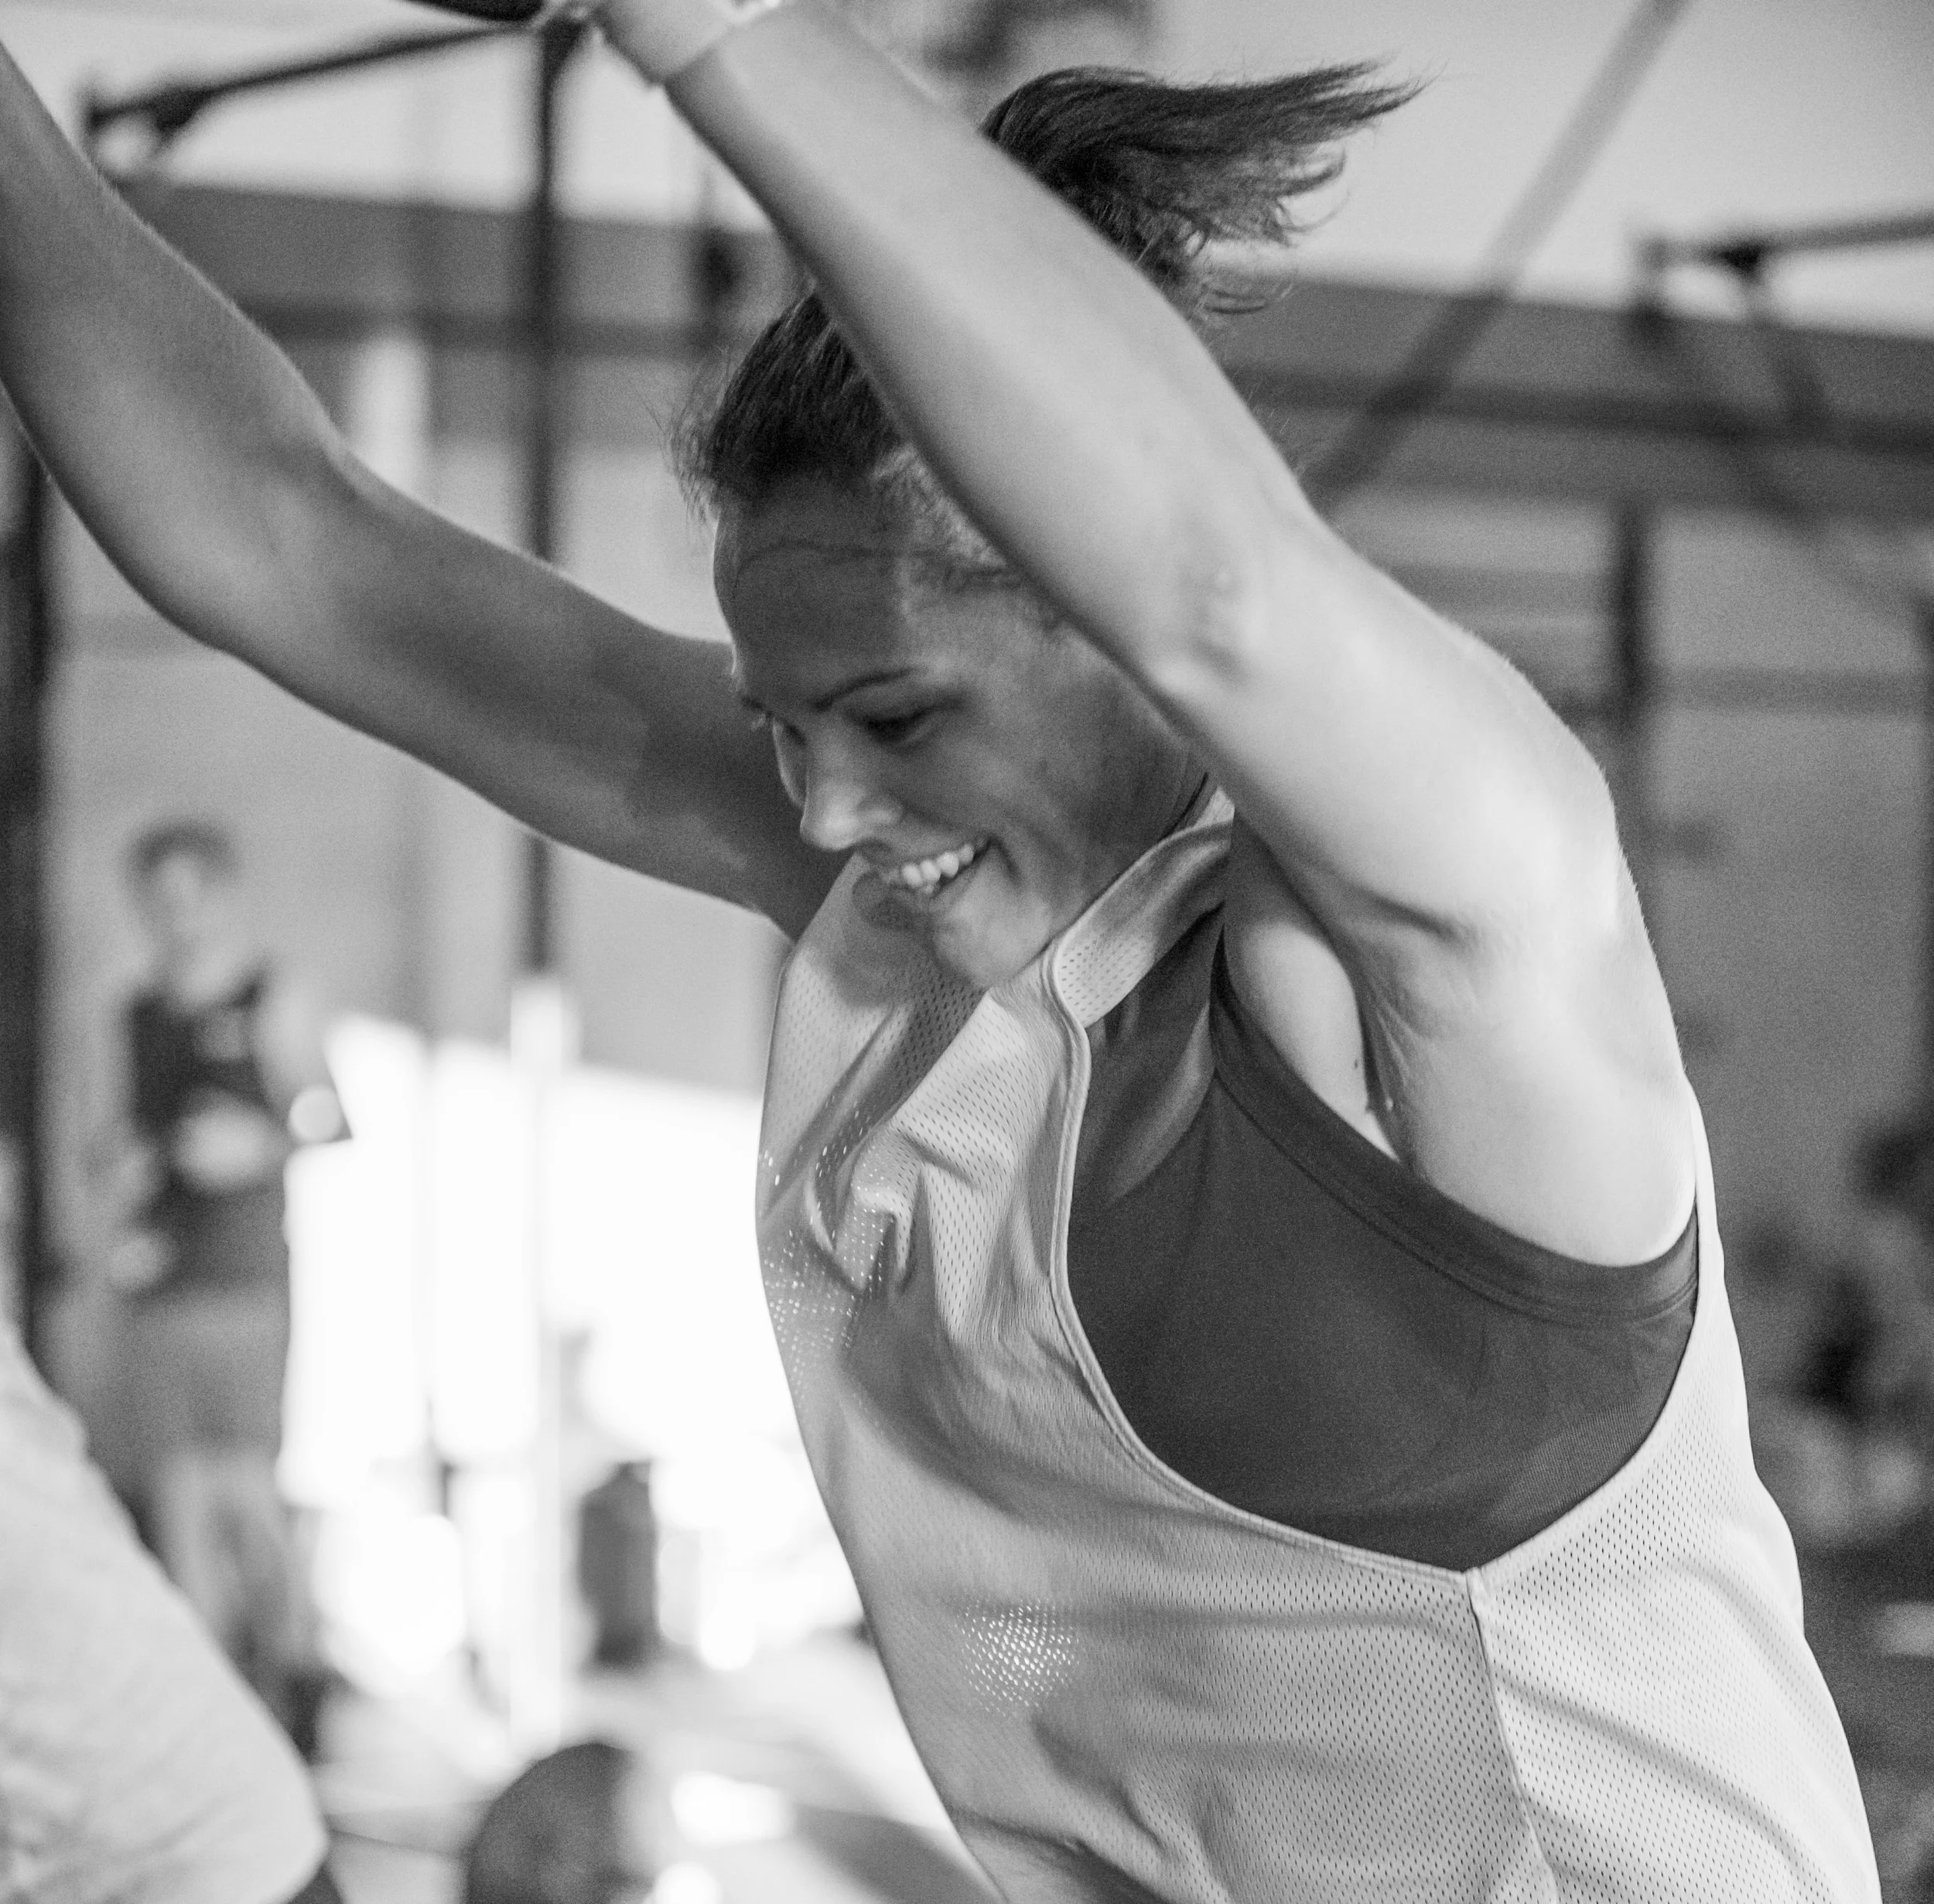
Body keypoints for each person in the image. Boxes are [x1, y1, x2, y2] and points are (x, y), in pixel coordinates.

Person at [0, 2, 1881, 1897]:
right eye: (785, 724)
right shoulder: (906, 933)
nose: (818, 805)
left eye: (897, 717)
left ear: (1096, 622)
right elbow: (283, 537)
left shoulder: (1432, 939)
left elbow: (1217, 582)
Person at [99, 819, 343, 1751]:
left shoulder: (269, 995)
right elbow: (124, 1140)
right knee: (180, 1506)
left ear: (224, 896)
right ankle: (217, 1727)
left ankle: (299, 1687)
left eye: (194, 895)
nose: (180, 918)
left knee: (247, 1496)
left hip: (244, 1285)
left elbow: (330, 1119)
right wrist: (115, 1172)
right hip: (159, 1283)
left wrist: (261, 1144)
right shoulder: (136, 1013)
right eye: (161, 901)